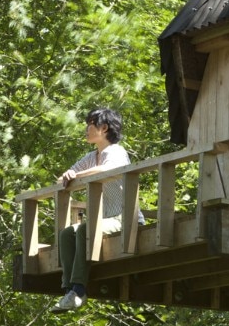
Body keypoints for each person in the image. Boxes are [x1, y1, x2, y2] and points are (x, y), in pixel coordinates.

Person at [51, 107, 139, 313]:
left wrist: (76, 175)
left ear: (104, 128)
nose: (86, 128)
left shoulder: (117, 151)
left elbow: (107, 170)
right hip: (105, 220)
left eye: (90, 124)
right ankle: (69, 290)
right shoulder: (92, 156)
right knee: (67, 233)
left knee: (84, 229)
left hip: (123, 218)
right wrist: (69, 174)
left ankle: (80, 290)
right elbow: (64, 178)